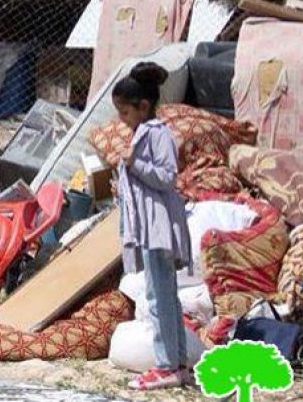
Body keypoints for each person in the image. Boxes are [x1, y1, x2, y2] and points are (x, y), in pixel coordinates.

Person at [112, 63, 192, 390]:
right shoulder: (143, 133)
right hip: (149, 225)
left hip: (158, 226)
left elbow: (166, 177)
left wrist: (134, 163)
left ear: (143, 107)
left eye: (125, 112)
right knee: (164, 295)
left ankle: (166, 365)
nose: (122, 119)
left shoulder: (158, 134)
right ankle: (178, 363)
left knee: (160, 298)